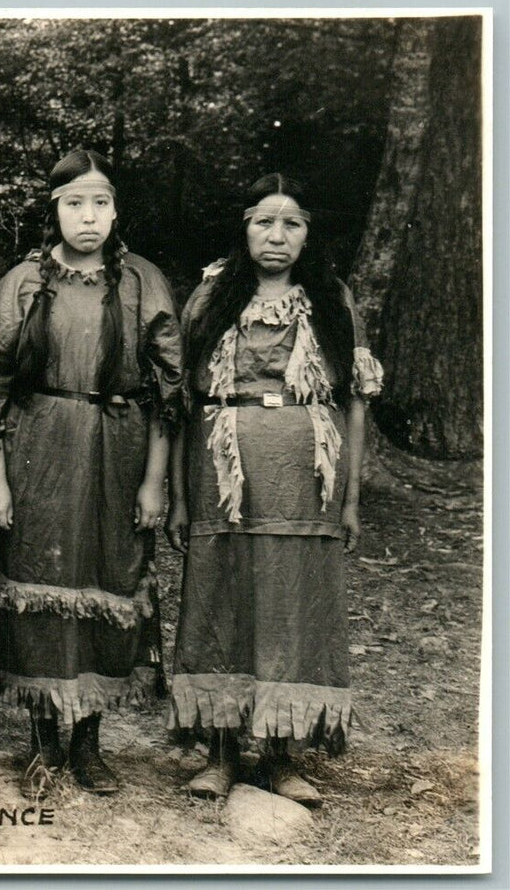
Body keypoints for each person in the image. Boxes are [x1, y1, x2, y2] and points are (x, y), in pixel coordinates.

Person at [166, 174, 382, 807]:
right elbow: (182, 405)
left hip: (304, 475)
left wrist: (350, 498)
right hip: (223, 474)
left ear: (308, 234)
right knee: (223, 595)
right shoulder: (209, 298)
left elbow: (357, 404)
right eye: (265, 221)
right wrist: (180, 498)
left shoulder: (331, 300)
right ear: (245, 225)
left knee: (295, 603)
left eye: (292, 224)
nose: (277, 236)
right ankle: (223, 753)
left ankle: (284, 757)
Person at [0, 150, 184, 798]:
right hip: (37, 446)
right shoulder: (22, 283)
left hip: (117, 453)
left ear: (115, 210)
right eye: (74, 204)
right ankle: (42, 742)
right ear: (54, 210)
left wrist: (154, 481)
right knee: (36, 587)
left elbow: (168, 390)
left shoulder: (141, 282)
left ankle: (89, 741)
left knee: (110, 582)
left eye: (99, 203)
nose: (87, 217)